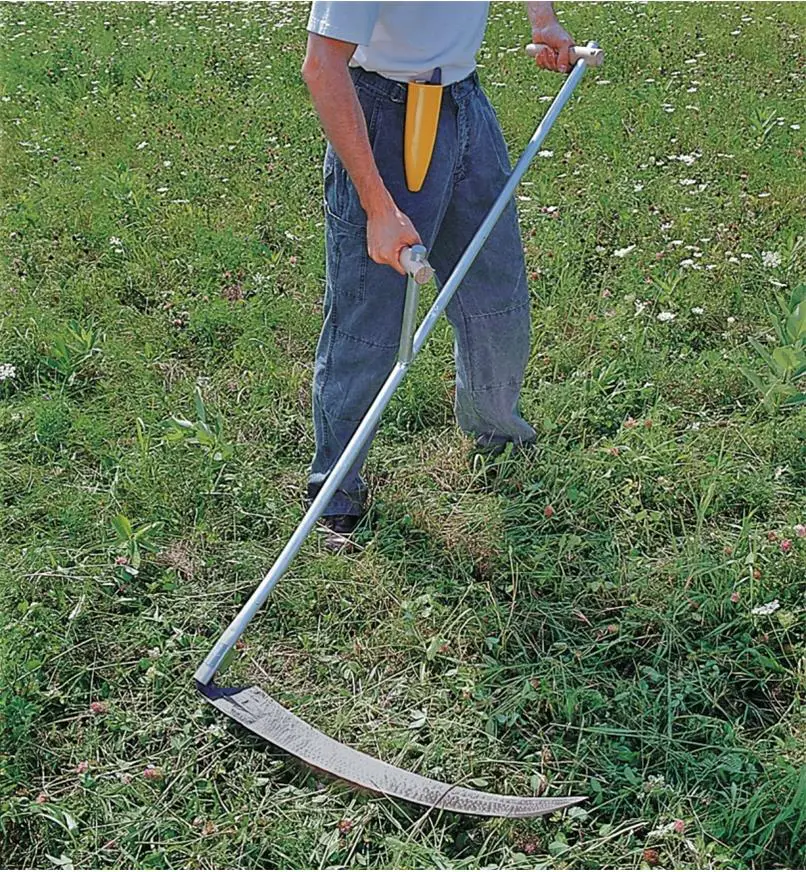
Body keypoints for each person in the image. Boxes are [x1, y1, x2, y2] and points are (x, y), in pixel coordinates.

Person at [302, 2, 575, 550]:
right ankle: (334, 490)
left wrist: (542, 19)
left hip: (464, 105)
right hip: (384, 115)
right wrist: (379, 208)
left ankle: (499, 440)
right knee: (369, 320)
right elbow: (322, 66)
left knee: (496, 297)